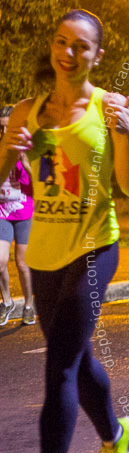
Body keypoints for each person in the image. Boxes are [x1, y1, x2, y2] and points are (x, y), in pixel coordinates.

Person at [0, 9, 129, 453]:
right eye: (62, 43)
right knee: (78, 360)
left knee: (58, 361)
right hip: (44, 252)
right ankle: (115, 435)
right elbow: (2, 178)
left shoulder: (109, 107)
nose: (69, 53)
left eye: (82, 47)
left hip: (94, 249)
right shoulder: (25, 112)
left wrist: (127, 134)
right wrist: (5, 152)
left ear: (97, 55)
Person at [0, 105, 35, 325]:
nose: (3, 133)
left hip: (23, 211)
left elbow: (40, 183)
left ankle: (29, 304)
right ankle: (7, 301)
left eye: (7, 128)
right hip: (2, 211)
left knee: (22, 264)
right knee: (0, 261)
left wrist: (24, 163)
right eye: (0, 128)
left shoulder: (29, 148)